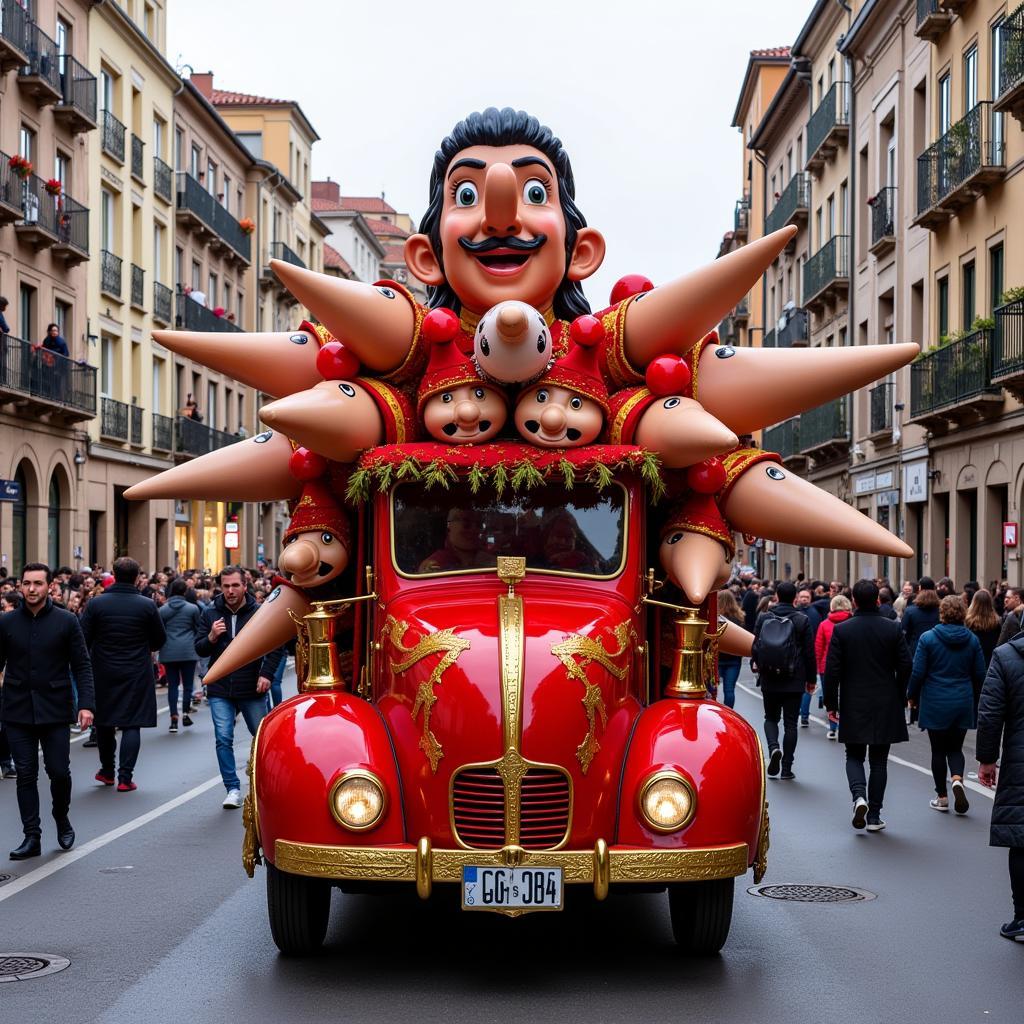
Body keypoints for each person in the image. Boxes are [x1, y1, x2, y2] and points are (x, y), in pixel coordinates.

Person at [0, 563, 95, 859]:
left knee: (58, 772)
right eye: (27, 583)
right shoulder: (7, 622)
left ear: (50, 586)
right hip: (17, 709)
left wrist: (87, 705)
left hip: (55, 709)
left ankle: (61, 815)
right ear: (20, 586)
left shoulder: (67, 621)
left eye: (38, 583)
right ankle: (32, 836)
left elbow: (81, 665)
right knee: (25, 774)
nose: (31, 589)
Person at [824, 579, 911, 832]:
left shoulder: (843, 630)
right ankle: (874, 814)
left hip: (854, 699)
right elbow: (906, 665)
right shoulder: (892, 629)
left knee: (853, 754)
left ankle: (858, 796)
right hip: (885, 699)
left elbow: (832, 671)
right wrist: (900, 692)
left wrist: (831, 702)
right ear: (877, 600)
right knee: (880, 761)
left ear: (853, 601)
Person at [195, 566, 283, 809]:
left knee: (262, 738)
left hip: (251, 687)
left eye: (235, 585)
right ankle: (232, 788)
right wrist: (212, 637)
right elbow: (199, 648)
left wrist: (266, 674)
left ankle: (267, 784)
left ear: (245, 586)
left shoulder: (260, 612)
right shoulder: (210, 613)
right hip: (220, 688)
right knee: (223, 738)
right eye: (226, 586)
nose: (230, 591)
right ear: (220, 587)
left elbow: (276, 645)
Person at [80, 557, 166, 792]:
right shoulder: (146, 605)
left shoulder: (97, 604)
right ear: (138, 576)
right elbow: (159, 639)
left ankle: (107, 770)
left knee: (104, 721)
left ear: (114, 575)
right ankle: (125, 778)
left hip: (103, 668)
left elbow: (82, 638)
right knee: (132, 723)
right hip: (136, 669)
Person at [908, 595, 985, 816]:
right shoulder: (971, 639)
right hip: (962, 699)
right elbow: (980, 673)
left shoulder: (928, 638)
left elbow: (918, 672)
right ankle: (958, 779)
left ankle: (942, 797)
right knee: (955, 748)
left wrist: (911, 695)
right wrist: (976, 698)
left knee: (938, 750)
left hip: (935, 699)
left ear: (942, 612)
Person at [977, 632, 1024, 941]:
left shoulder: (1007, 656)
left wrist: (987, 758)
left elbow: (991, 713)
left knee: (1021, 837)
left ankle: (1022, 916)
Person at [752, 580, 815, 781]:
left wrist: (757, 663)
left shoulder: (764, 617)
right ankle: (787, 767)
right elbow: (809, 653)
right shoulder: (802, 620)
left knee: (770, 718)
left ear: (776, 596)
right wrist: (811, 679)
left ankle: (773, 748)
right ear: (795, 598)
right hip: (794, 678)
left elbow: (755, 646)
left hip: (770, 676)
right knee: (790, 724)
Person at [158, 577, 202, 733]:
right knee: (188, 685)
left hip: (169, 651)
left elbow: (160, 631)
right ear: (185, 591)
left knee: (173, 686)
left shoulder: (162, 610)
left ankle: (173, 717)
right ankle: (184, 712)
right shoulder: (192, 609)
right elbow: (198, 629)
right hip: (187, 650)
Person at [814, 594, 852, 740]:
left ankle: (832, 728)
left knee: (831, 697)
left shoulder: (824, 624)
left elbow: (819, 647)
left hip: (827, 665)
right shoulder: (852, 622)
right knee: (847, 697)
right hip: (849, 665)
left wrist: (817, 667)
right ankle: (846, 726)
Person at [716, 589, 744, 709]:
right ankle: (729, 712)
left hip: (717, 658)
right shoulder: (739, 619)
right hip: (734, 659)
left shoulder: (715, 618)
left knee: (712, 688)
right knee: (729, 690)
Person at [901, 576, 940, 660]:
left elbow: (903, 634)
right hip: (938, 651)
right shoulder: (941, 610)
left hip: (915, 651)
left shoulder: (910, 611)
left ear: (919, 589)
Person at [966, 588, 1002, 669]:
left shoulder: (967, 622)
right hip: (990, 662)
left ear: (974, 602)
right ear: (990, 603)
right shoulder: (997, 622)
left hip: (972, 661)